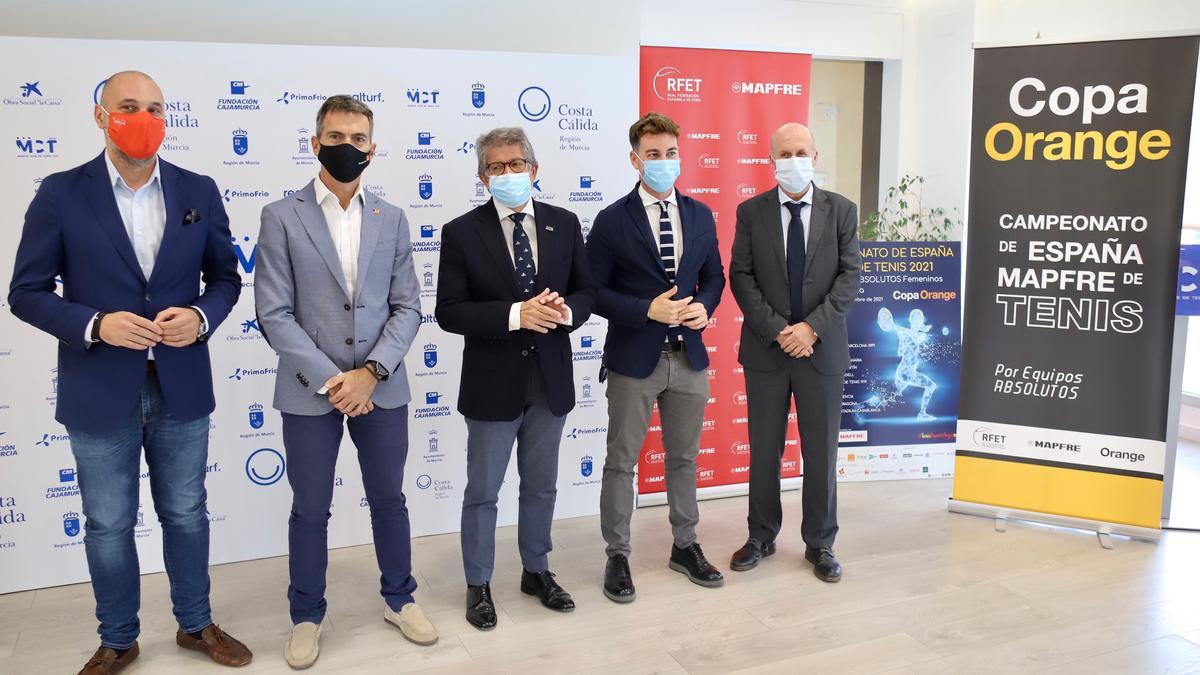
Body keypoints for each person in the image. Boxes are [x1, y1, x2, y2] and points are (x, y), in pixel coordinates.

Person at [8, 70, 250, 674]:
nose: (144, 118)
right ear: (100, 116)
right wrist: (95, 325)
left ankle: (196, 625)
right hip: (99, 388)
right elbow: (26, 292)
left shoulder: (199, 189)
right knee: (109, 523)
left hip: (182, 384)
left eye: (156, 108)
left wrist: (200, 316)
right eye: (129, 106)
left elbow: (226, 279)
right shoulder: (61, 193)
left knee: (187, 512)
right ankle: (118, 638)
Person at [255, 95, 435, 668]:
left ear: (373, 148)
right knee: (310, 508)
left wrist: (372, 373)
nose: (347, 147)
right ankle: (306, 615)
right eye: (336, 136)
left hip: (382, 387)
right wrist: (338, 381)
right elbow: (273, 312)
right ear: (315, 143)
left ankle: (400, 599)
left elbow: (408, 306)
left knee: (390, 499)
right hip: (311, 392)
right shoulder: (281, 216)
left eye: (358, 139)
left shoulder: (394, 217)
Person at [435, 126, 594, 631]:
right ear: (483, 177)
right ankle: (478, 583)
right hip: (491, 382)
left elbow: (588, 294)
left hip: (550, 380)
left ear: (534, 168)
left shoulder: (565, 224)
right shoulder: (461, 231)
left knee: (542, 487)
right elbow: (449, 311)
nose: (507, 174)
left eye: (515, 164)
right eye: (496, 167)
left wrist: (565, 310)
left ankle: (536, 570)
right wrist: (513, 315)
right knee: (483, 490)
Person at [586, 112, 726, 603]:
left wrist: (703, 308)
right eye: (653, 155)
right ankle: (618, 555)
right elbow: (593, 293)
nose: (663, 162)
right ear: (634, 160)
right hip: (633, 358)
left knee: (684, 459)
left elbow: (714, 278)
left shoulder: (699, 214)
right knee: (622, 461)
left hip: (687, 357)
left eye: (670, 153)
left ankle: (685, 546)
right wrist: (646, 308)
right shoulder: (610, 220)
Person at [728, 122, 862, 583]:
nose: (793, 159)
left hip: (821, 351)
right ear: (771, 160)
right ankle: (761, 536)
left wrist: (811, 329)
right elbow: (740, 277)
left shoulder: (842, 211)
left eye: (801, 151)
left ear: (816, 156)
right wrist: (780, 330)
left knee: (820, 451)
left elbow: (850, 278)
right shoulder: (751, 212)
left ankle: (820, 542)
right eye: (784, 153)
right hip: (768, 350)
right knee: (764, 449)